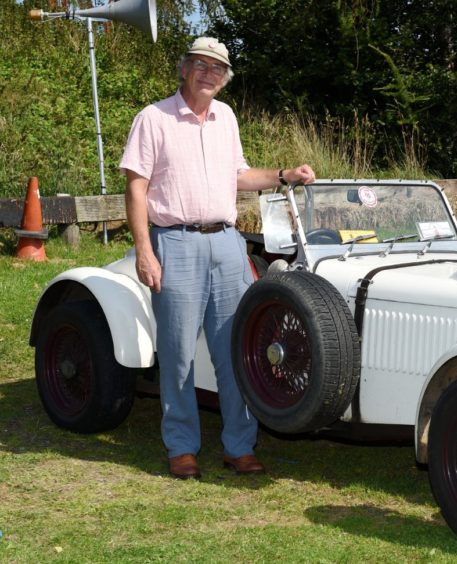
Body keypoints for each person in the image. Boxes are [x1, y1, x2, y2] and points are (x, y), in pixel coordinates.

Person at [120, 37, 315, 479]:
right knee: (178, 353)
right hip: (176, 241)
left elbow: (238, 176)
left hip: (227, 244)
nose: (209, 74)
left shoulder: (226, 117)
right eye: (201, 65)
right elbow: (135, 188)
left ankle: (239, 445)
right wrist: (145, 251)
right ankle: (182, 447)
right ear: (185, 69)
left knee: (237, 348)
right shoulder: (153, 118)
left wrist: (285, 175)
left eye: (218, 69)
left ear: (224, 79)